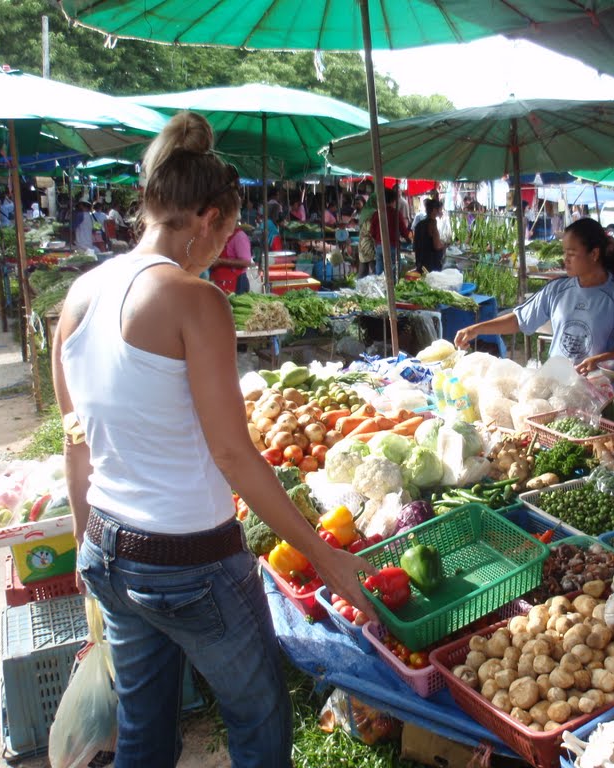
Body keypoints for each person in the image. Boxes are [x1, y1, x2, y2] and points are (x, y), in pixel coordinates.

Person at [52, 112, 375, 768]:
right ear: (204, 219)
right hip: (191, 560)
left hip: (109, 546)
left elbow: (75, 440)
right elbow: (232, 454)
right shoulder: (195, 302)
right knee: (258, 719)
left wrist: (91, 548)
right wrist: (321, 553)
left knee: (143, 733)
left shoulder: (80, 295)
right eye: (225, 235)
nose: (222, 251)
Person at [454, 218, 614, 373]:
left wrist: (601, 360)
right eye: (564, 253)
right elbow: (519, 320)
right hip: (557, 384)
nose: (565, 260)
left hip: (601, 387)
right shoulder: (557, 289)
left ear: (594, 254)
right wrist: (475, 329)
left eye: (571, 253)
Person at [370, 188, 411, 277]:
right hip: (392, 246)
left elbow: (372, 232)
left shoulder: (377, 214)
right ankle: (392, 288)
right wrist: (408, 239)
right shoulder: (396, 214)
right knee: (393, 271)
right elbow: (404, 231)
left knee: (380, 271)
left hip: (379, 246)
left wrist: (377, 241)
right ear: (393, 200)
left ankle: (380, 288)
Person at [210, 226, 254, 295]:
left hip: (236, 283)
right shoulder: (219, 235)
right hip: (219, 282)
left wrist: (220, 261)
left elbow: (246, 262)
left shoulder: (239, 236)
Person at [413, 199, 446, 273]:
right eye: (440, 210)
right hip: (430, 264)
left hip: (420, 262)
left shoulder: (420, 224)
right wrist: (444, 245)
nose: (441, 212)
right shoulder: (432, 223)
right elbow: (437, 246)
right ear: (434, 210)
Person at [356, 194, 377, 278]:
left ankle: (359, 286)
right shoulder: (372, 213)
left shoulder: (365, 211)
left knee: (363, 267)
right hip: (368, 243)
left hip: (362, 242)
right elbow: (370, 230)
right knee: (373, 266)